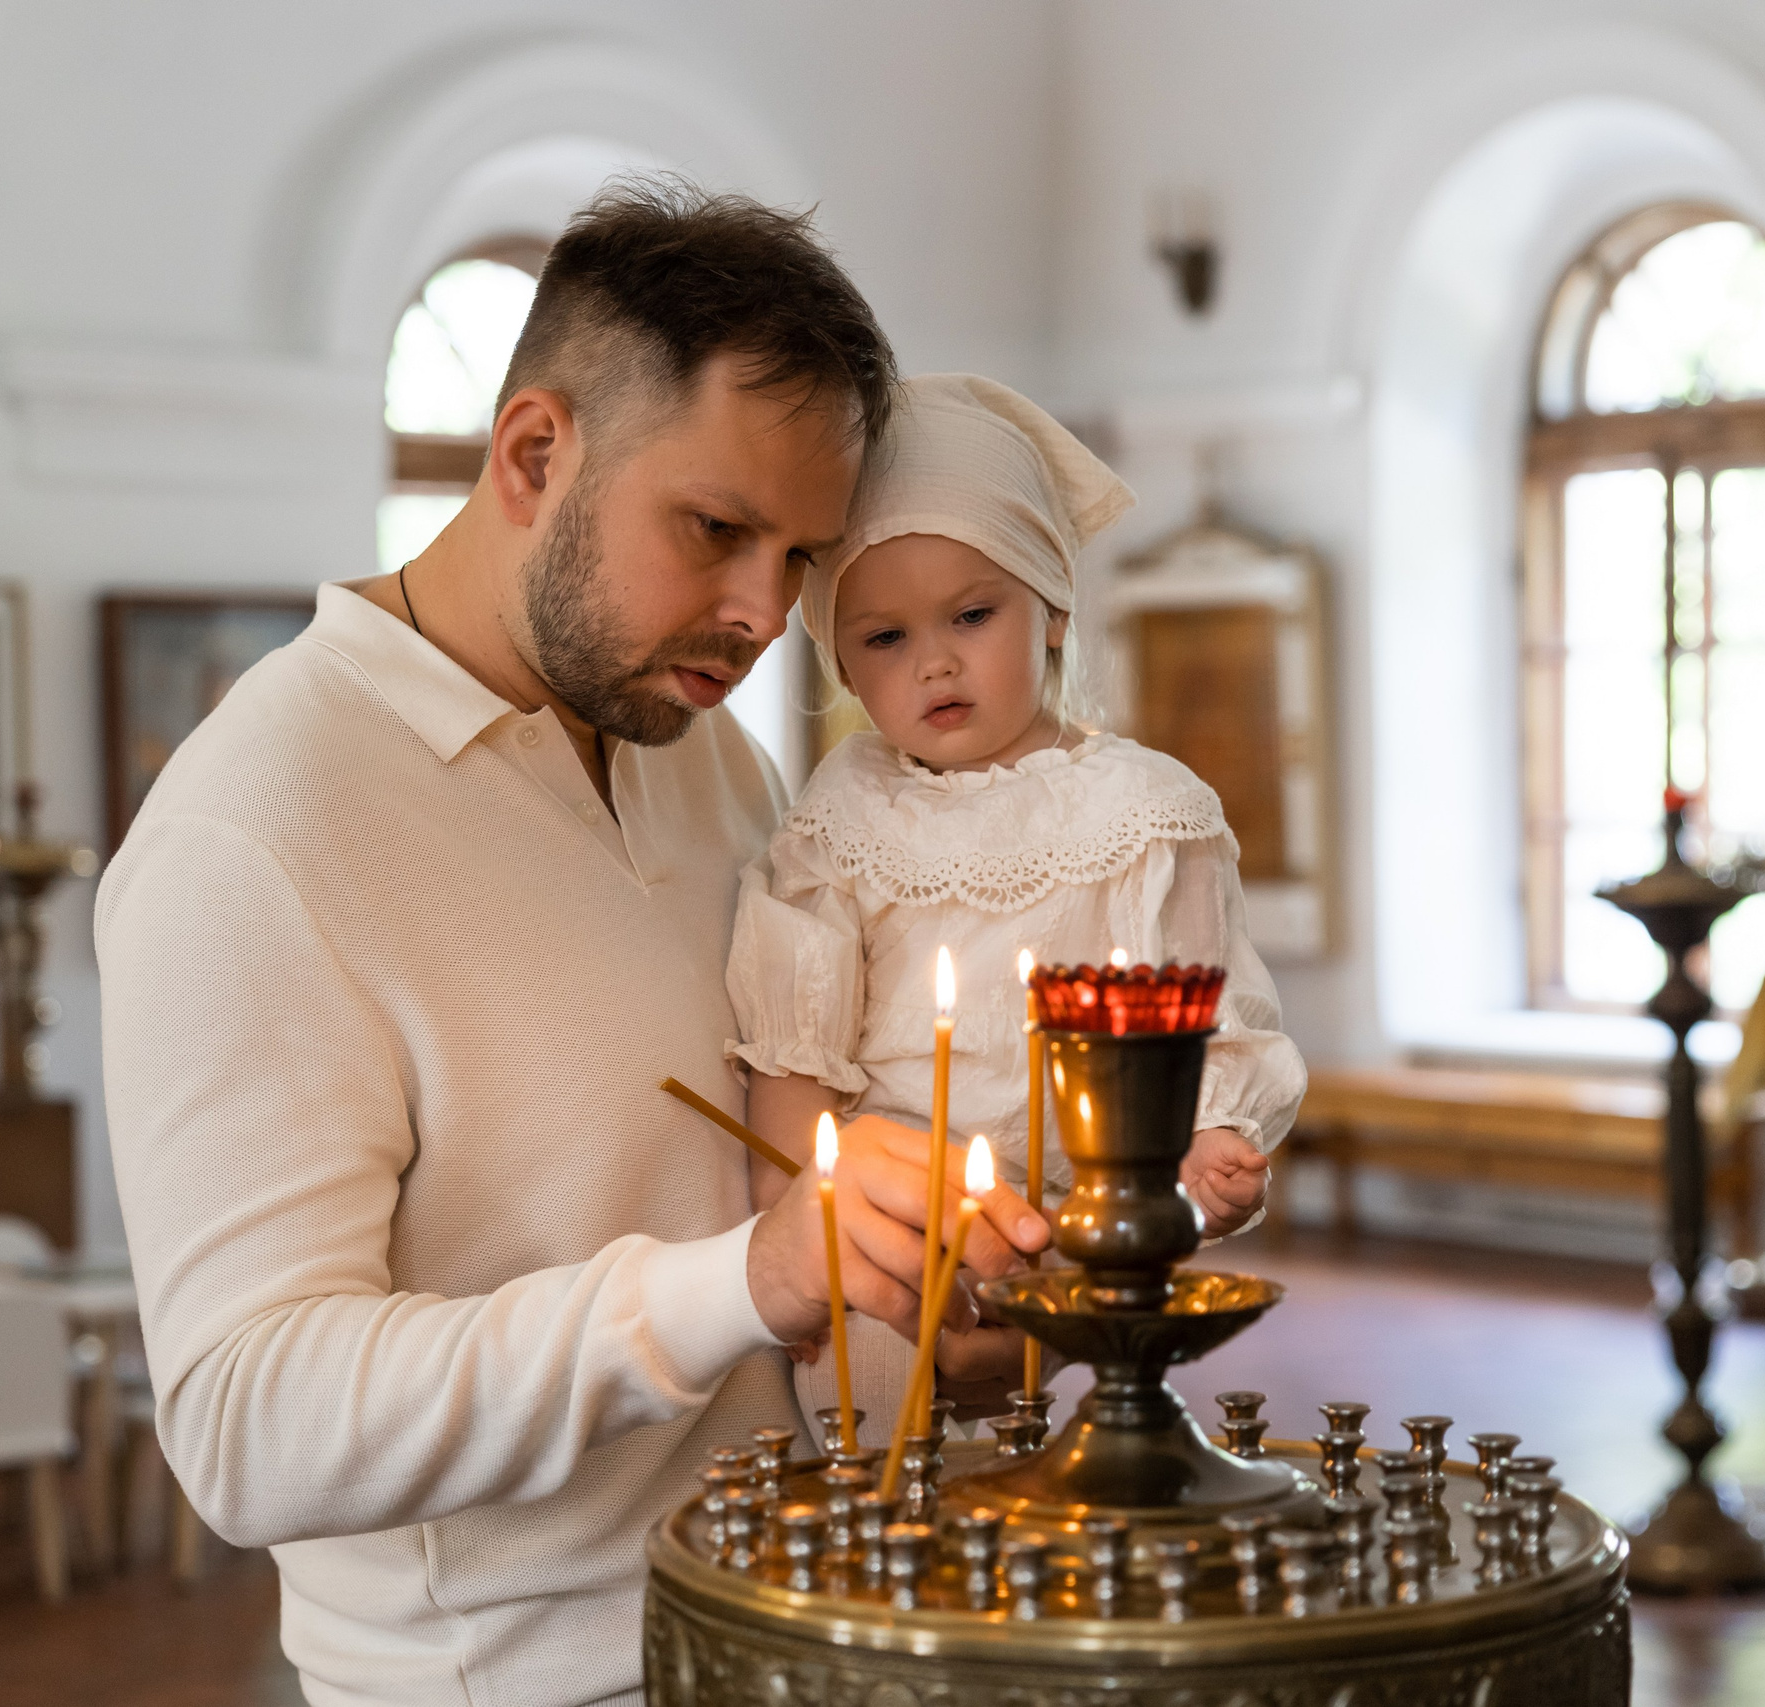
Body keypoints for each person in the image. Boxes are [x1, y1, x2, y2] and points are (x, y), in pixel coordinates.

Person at [96, 184, 1051, 1707]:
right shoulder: (252, 832)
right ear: (535, 452)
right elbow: (245, 1424)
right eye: (717, 528)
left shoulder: (691, 742)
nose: (759, 614)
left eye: (800, 555)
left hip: (805, 1628)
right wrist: (743, 1278)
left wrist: (944, 1301)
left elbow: (762, 1207)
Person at [723, 374, 1308, 1455]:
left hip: (1071, 1232)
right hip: (889, 1238)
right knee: (879, 1468)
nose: (934, 661)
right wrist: (791, 1222)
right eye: (884, 638)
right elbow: (793, 1051)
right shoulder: (840, 820)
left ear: (1052, 612)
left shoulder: (1146, 813)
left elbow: (1199, 1012)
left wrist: (1213, 1137)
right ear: (839, 654)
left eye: (972, 614)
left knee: (1035, 1468)